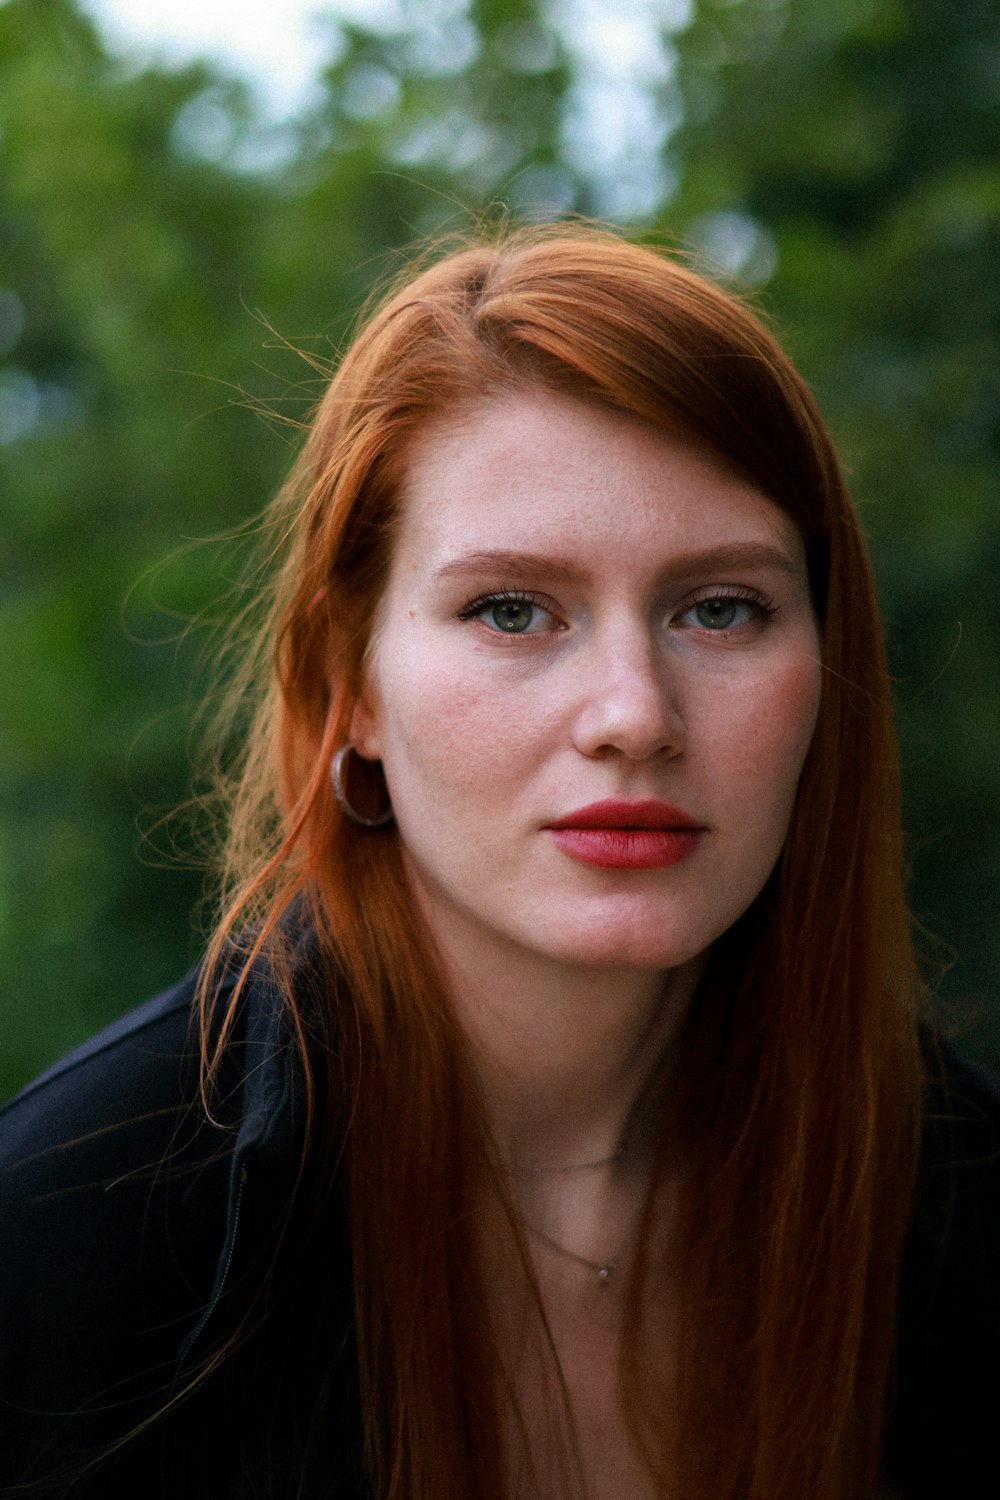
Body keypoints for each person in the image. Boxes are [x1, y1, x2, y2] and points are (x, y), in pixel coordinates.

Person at [1, 226, 997, 1500]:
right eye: (512, 611)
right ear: (345, 685)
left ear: (826, 672)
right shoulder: (77, 1246)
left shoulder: (960, 1217)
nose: (633, 714)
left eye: (720, 608)